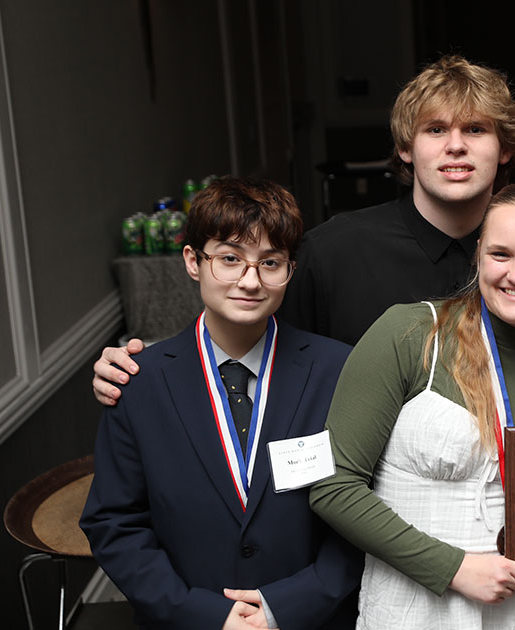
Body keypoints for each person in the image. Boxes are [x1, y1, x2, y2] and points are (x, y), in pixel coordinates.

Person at [307, 180, 515, 629]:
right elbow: (333, 486)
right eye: (501, 254)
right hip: (415, 612)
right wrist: (452, 567)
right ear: (479, 253)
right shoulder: (411, 335)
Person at [90, 54, 515, 404]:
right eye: (435, 129)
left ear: (504, 148)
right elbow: (248, 341)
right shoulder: (332, 251)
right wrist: (139, 371)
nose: (455, 145)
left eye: (475, 129)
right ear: (405, 148)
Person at [80, 177, 363, 630]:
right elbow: (115, 524)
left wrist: (287, 606)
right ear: (193, 261)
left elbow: (365, 514)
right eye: (230, 259)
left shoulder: (339, 371)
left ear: (291, 269)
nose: (250, 281)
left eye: (270, 263)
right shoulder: (139, 381)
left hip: (313, 618)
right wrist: (204, 614)